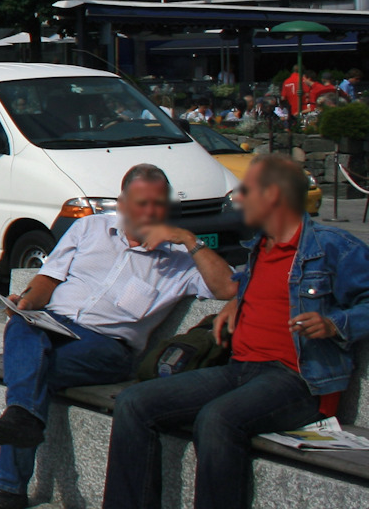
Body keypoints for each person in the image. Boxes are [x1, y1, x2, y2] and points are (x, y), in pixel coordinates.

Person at [102, 155, 369, 509]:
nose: (238, 199)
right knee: (134, 402)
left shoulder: (332, 246)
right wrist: (238, 300)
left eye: (247, 191)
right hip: (241, 368)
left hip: (298, 380)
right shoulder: (259, 246)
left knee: (217, 420)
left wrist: (335, 324)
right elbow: (247, 289)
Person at [0, 165, 235, 509]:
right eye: (142, 203)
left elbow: (228, 287)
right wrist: (25, 302)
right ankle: (21, 427)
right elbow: (47, 280)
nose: (150, 212)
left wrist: (190, 240)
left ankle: (9, 488)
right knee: (22, 327)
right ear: (123, 202)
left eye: (159, 205)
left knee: (27, 375)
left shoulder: (179, 261)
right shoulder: (88, 228)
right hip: (54, 324)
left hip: (106, 347)